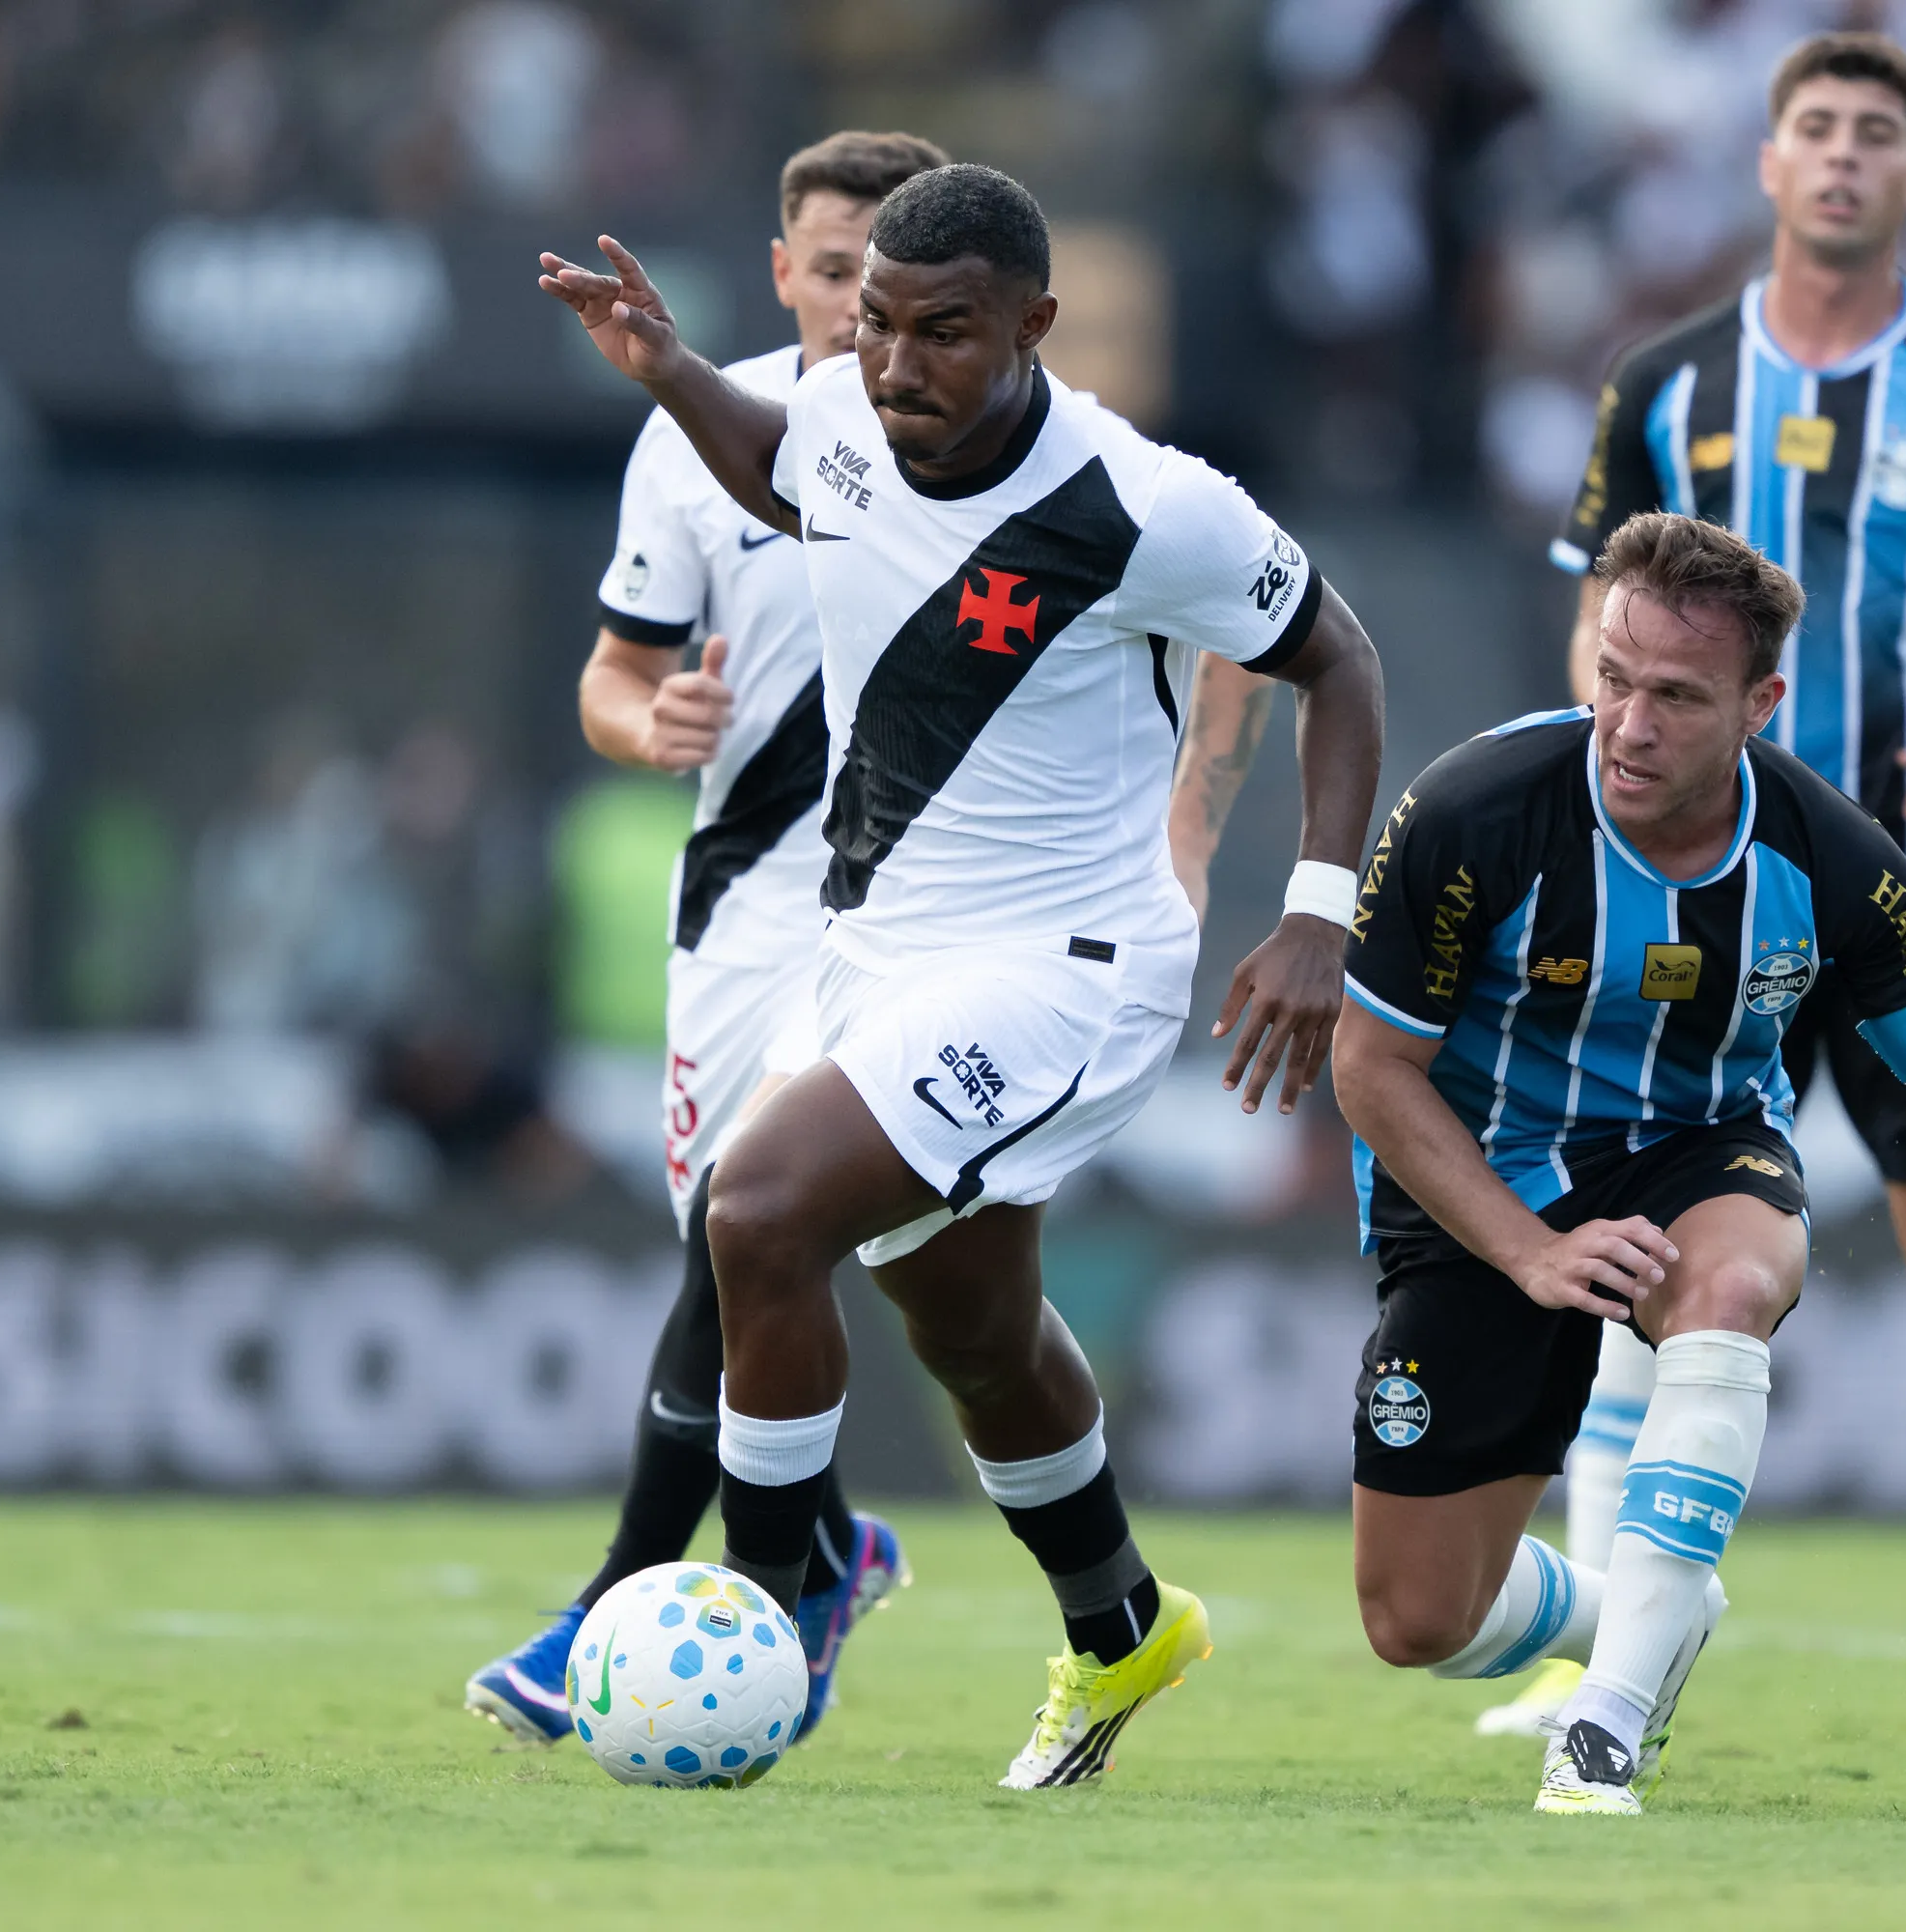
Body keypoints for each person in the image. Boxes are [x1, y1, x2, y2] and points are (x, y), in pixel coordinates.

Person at [539, 162, 1386, 1787]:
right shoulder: (850, 420)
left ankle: (759, 1632)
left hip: (1064, 969)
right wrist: (671, 373)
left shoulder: (1143, 505)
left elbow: (1337, 655)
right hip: (879, 956)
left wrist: (1318, 911)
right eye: (873, 327)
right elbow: (789, 473)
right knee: (977, 1330)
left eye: (943, 333)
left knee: (759, 1210)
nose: (898, 366)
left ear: (1035, 328)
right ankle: (1124, 1623)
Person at [1332, 512, 1906, 1816]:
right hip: (1488, 1188)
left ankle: (1606, 1729)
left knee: (1732, 1287)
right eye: (1613, 676)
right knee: (1416, 1620)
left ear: (1761, 704)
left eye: (1676, 696)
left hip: (1700, 1152)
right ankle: (1653, 1617)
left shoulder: (1832, 862)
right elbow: (1369, 1069)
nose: (1630, 723)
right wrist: (1531, 1249)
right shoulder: (1471, 815)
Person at [1534, 31, 1906, 1751]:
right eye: (1818, 128)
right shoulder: (1664, 382)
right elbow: (1599, 617)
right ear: (1772, 162)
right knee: (1629, 1259)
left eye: (1880, 133)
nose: (1846, 156)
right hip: (1696, 907)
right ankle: (1597, 1647)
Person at [465, 131, 947, 1749]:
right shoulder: (690, 444)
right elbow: (611, 675)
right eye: (831, 276)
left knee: (748, 1235)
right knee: (738, 1255)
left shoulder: (1005, 455)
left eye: (890, 284)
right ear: (780, 271)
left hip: (920, 922)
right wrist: (644, 716)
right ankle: (827, 1554)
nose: (857, 311)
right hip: (743, 915)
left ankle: (622, 1596)